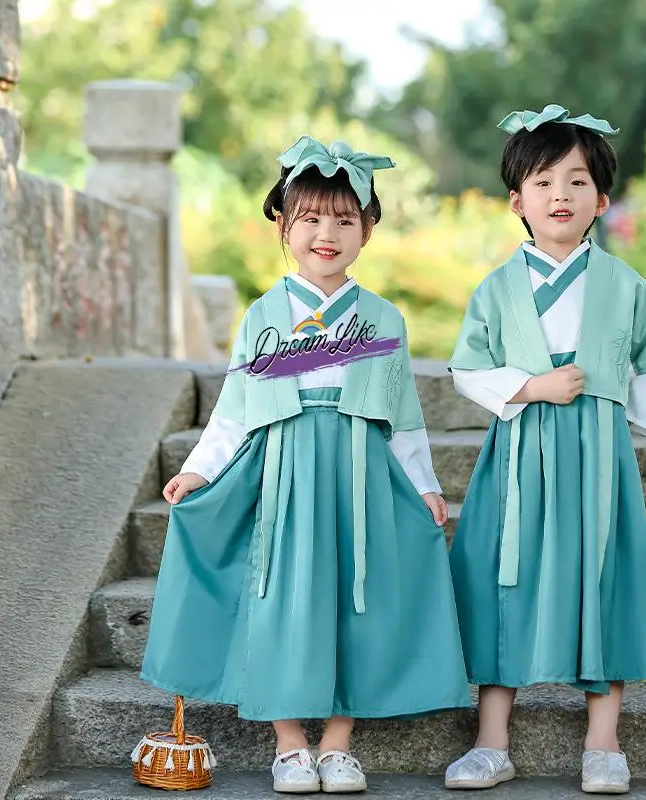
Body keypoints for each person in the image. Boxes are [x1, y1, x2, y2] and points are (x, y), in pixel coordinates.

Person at [141, 136, 470, 795]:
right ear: (283, 225)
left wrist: (424, 486)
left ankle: (339, 742)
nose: (328, 233)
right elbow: (235, 409)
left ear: (368, 230)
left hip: (361, 476)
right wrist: (202, 469)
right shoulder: (264, 315)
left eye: (346, 220)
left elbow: (401, 416)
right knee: (282, 601)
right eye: (311, 219)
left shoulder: (382, 319)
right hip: (285, 473)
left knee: (361, 600)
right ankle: (290, 743)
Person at [444, 105, 646, 795]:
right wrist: (531, 385)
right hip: (519, 454)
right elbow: (467, 368)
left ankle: (604, 742)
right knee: (503, 580)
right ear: (516, 200)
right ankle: (492, 741)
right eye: (544, 180)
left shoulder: (621, 284)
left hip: (595, 458)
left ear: (602, 200)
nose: (561, 194)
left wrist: (618, 405)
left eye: (578, 181)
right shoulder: (496, 288)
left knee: (601, 576)